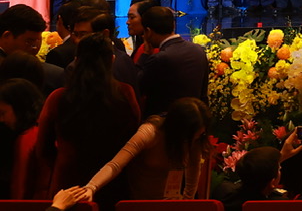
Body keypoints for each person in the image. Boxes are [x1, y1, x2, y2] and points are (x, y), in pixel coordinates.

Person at [37, 33, 141, 208]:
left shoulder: (58, 97)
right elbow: (133, 137)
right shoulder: (125, 93)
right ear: (112, 60)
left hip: (68, 182)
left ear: (76, 60)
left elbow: (43, 148)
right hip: (113, 179)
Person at [83, 97, 211, 201]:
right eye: (191, 136)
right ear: (179, 129)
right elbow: (115, 165)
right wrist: (91, 187)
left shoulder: (196, 138)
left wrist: (187, 203)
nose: (195, 139)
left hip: (170, 203)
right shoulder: (151, 132)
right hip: (139, 203)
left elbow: (193, 172)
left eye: (200, 134)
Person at [136, 6, 209, 116]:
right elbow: (203, 95)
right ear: (173, 25)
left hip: (166, 122)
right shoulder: (198, 50)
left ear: (148, 31)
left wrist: (145, 55)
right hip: (196, 119)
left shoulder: (159, 59)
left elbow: (137, 86)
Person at [0, 77, 47, 199]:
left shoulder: (27, 139)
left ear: (19, 108)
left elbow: (20, 188)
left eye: (3, 113)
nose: (1, 120)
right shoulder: (44, 129)